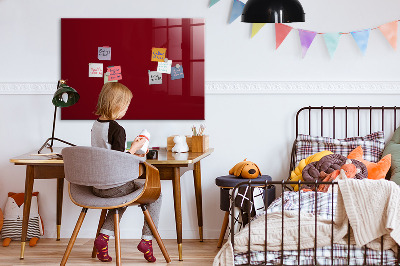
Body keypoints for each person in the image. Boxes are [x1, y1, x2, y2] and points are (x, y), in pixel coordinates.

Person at [91, 82, 162, 263]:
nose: (126, 109)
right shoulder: (117, 129)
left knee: (121, 198)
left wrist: (132, 150)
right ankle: (147, 240)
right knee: (156, 194)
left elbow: (108, 154)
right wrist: (136, 148)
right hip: (114, 186)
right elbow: (119, 161)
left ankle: (104, 238)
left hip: (97, 186)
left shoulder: (96, 125)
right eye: (126, 105)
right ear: (117, 105)